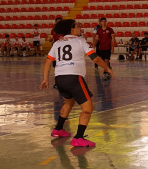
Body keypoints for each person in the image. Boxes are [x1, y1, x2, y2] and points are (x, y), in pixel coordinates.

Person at [39, 19, 113, 147]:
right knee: (88, 108)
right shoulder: (80, 41)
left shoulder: (57, 43)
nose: (81, 28)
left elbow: (48, 62)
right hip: (73, 78)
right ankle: (78, 138)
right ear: (72, 29)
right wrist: (107, 68)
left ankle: (58, 129)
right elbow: (94, 58)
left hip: (59, 79)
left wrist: (45, 79)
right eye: (78, 26)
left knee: (69, 102)